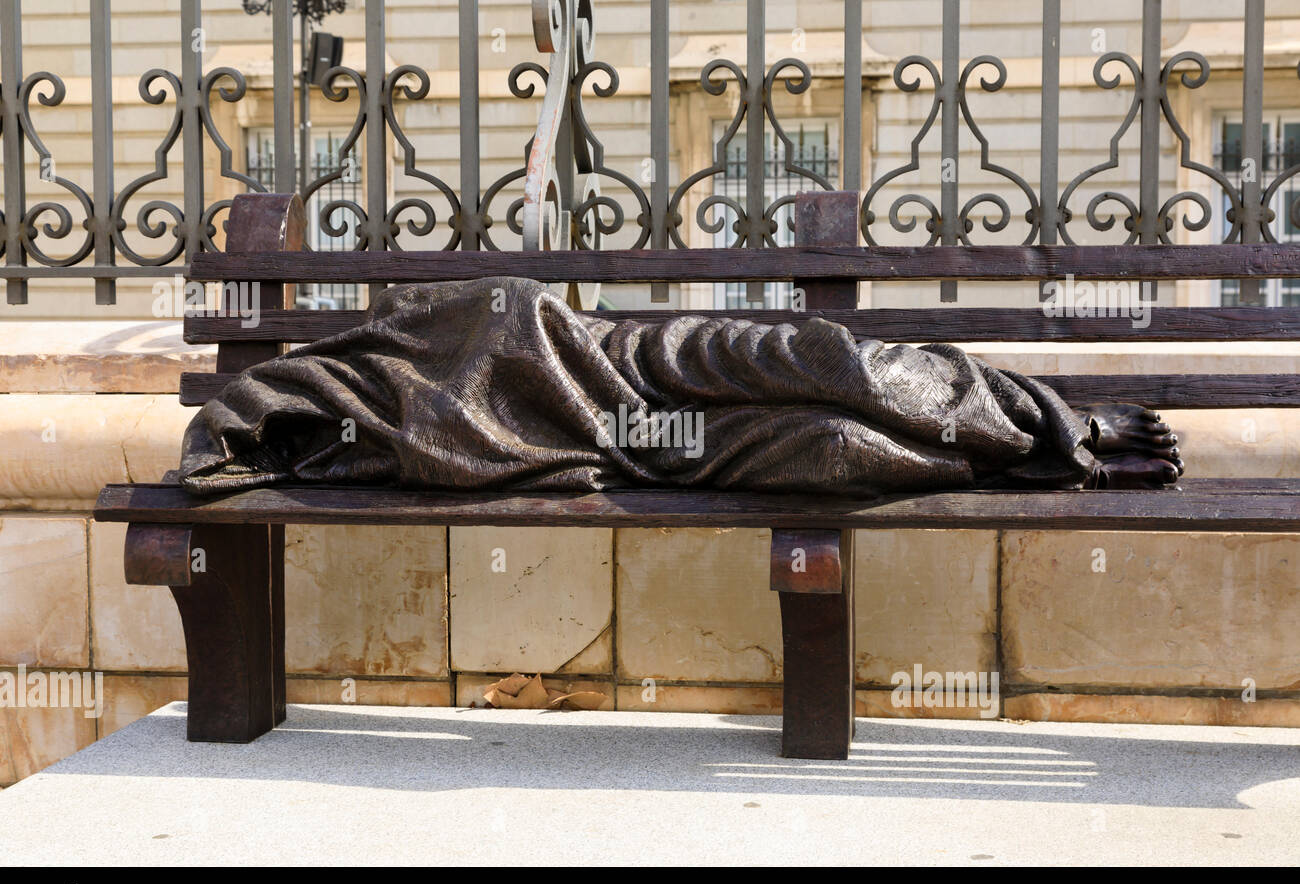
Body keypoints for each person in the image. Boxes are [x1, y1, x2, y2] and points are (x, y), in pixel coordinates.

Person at [179, 276, 1182, 496]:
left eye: (278, 434)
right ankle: (1036, 464)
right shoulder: (356, 451)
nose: (293, 448)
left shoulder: (368, 352)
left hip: (627, 355)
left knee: (829, 360)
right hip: (621, 438)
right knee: (829, 450)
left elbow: (501, 312)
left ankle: (1060, 421)